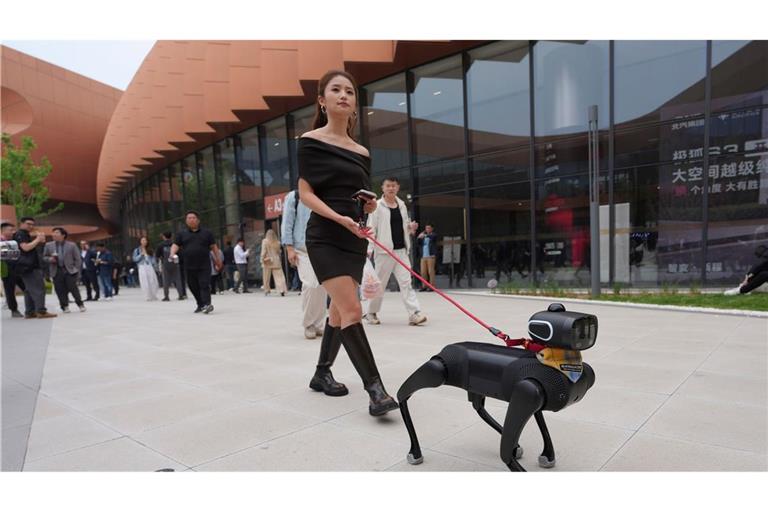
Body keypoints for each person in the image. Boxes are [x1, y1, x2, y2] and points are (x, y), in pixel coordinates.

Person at [298, 69, 398, 416]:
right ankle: (376, 391)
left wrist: (368, 207)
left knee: (339, 311)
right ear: (322, 101)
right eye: (336, 90)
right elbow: (305, 193)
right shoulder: (310, 141)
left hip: (354, 237)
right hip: (325, 235)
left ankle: (321, 373)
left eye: (350, 91)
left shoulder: (361, 151)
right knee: (353, 310)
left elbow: (360, 195)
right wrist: (339, 218)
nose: (344, 95)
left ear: (355, 104)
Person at [363, 176, 427, 326]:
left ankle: (414, 313)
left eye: (394, 185)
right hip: (384, 252)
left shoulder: (402, 205)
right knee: (379, 285)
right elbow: (371, 229)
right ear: (383, 188)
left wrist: (410, 228)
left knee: (406, 283)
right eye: (388, 186)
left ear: (397, 188)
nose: (391, 188)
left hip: (401, 252)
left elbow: (404, 226)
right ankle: (371, 312)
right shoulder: (377, 206)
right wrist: (369, 249)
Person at [282, 188, 328, 339]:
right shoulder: (294, 197)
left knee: (322, 287)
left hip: (322, 247)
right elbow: (287, 223)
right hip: (302, 249)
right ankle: (308, 324)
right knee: (310, 285)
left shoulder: (322, 195)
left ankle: (318, 324)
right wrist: (289, 248)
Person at [170, 210, 222, 314]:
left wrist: (218, 259)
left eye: (193, 218)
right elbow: (175, 245)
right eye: (189, 218)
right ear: (186, 221)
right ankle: (200, 304)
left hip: (204, 264)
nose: (191, 220)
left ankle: (207, 304)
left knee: (204, 284)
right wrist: (172, 253)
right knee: (192, 285)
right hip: (189, 265)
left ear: (198, 220)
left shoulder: (207, 233)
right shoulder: (181, 234)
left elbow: (214, 247)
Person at [13, 217, 56, 319]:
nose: (31, 226)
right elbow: (25, 248)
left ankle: (30, 312)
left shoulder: (23, 234)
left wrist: (38, 240)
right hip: (29, 267)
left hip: (25, 266)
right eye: (28, 224)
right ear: (21, 223)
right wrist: (37, 239)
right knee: (39, 288)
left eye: (32, 224)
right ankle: (41, 311)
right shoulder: (21, 234)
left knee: (29, 290)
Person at [43, 227, 86, 313]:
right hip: (56, 270)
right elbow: (44, 257)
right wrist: (50, 259)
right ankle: (64, 306)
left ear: (63, 235)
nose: (54, 234)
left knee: (73, 288)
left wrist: (76, 270)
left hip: (69, 270)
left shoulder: (72, 245)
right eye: (53, 233)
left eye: (57, 232)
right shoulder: (48, 245)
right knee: (60, 289)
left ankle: (80, 304)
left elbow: (78, 259)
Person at [1, 222, 26, 318]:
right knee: (10, 291)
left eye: (13, 230)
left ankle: (33, 307)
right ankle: (14, 310)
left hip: (19, 269)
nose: (13, 232)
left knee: (27, 287)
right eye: (10, 230)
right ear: (3, 231)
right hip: (6, 270)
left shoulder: (15, 240)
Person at [156, 232, 185, 301]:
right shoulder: (175, 244)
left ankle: (166, 296)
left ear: (164, 236)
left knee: (166, 280)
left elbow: (157, 255)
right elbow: (180, 254)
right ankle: (181, 295)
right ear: (171, 236)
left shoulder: (160, 245)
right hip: (175, 262)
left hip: (165, 263)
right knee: (178, 279)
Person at [260, 229, 287, 296]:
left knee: (266, 277)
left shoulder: (265, 241)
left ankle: (266, 290)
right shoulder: (277, 242)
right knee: (279, 277)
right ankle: (282, 290)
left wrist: (262, 259)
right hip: (276, 261)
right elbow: (279, 252)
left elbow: (263, 251)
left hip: (267, 261)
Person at [133, 236, 159, 301]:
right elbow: (135, 259)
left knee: (153, 281)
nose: (144, 242)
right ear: (140, 241)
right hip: (142, 266)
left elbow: (153, 260)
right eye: (143, 240)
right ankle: (147, 296)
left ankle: (154, 295)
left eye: (145, 240)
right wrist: (141, 254)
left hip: (149, 266)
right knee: (144, 282)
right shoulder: (137, 250)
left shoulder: (150, 249)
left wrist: (156, 267)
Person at [417, 223, 438, 291]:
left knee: (431, 271)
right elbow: (418, 242)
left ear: (432, 229)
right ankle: (424, 286)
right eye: (426, 228)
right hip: (423, 256)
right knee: (423, 272)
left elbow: (433, 237)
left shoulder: (433, 235)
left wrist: (425, 235)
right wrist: (419, 237)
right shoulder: (423, 236)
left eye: (429, 228)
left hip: (431, 256)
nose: (427, 229)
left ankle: (432, 286)